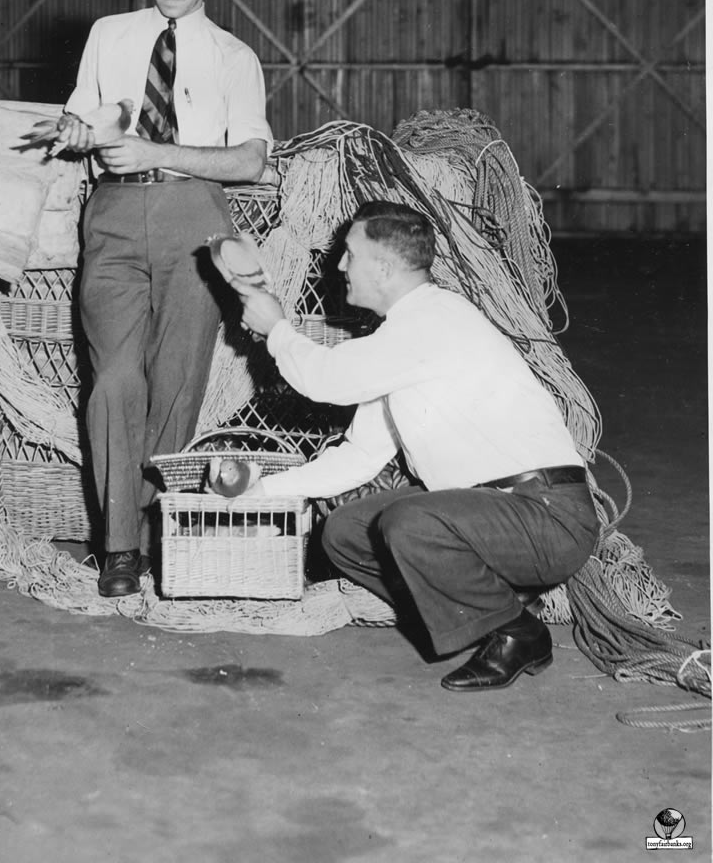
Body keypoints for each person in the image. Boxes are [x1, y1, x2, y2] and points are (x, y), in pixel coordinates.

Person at [215, 200, 599, 691]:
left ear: (384, 268)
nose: (340, 265)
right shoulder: (401, 336)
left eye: (350, 254)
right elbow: (360, 456)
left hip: (545, 517)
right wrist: (263, 492)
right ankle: (493, 606)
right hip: (495, 513)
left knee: (409, 522)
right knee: (346, 531)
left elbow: (326, 380)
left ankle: (515, 632)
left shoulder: (432, 320)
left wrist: (278, 331)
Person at [38, 0, 272, 598]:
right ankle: (118, 546)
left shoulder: (235, 58)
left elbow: (250, 159)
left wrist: (155, 152)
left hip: (194, 220)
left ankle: (146, 529)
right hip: (111, 215)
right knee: (114, 379)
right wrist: (74, 132)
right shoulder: (108, 34)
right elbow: (85, 111)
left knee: (175, 385)